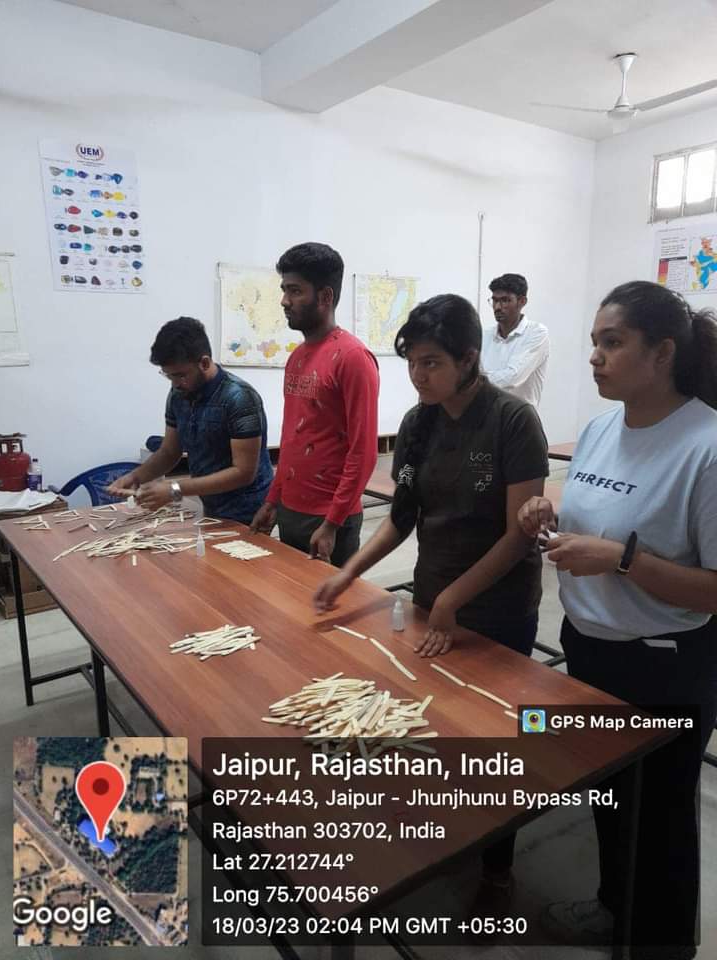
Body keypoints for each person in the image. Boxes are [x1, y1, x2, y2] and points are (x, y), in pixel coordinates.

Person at [314, 293, 549, 897]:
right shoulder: (419, 422)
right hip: (432, 601)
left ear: (469, 358)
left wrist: (454, 599)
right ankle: (441, 833)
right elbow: (402, 519)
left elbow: (517, 535)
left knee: (496, 742)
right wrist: (350, 572)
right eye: (412, 363)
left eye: (432, 363)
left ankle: (497, 867)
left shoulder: (513, 422)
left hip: (495, 607)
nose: (418, 376)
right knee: (437, 728)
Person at [518, 281, 717, 959]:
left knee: (660, 813)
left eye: (612, 342)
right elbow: (591, 514)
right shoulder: (603, 429)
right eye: (595, 343)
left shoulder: (707, 447)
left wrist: (621, 559)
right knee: (611, 795)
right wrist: (542, 515)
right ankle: (613, 908)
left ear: (661, 353)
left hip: (664, 662)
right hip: (592, 646)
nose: (596, 358)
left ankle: (662, 943)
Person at [250, 242, 379, 567]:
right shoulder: (297, 357)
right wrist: (273, 500)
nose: (284, 301)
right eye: (284, 290)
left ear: (325, 297)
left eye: (294, 291)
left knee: (330, 612)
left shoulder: (353, 358)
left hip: (329, 516)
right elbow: (294, 436)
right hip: (291, 510)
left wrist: (333, 523)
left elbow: (363, 451)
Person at [107, 316, 273, 522]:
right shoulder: (179, 393)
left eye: (180, 375)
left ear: (204, 363)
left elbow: (243, 472)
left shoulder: (239, 398)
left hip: (250, 511)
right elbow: (169, 452)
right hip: (212, 507)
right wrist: (135, 477)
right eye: (168, 376)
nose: (175, 383)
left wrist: (174, 489)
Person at [480, 273, 549, 406]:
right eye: (494, 300)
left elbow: (512, 378)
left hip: (519, 422)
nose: (497, 307)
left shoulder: (537, 333)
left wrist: (473, 381)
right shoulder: (484, 336)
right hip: (486, 419)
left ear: (522, 301)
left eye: (505, 300)